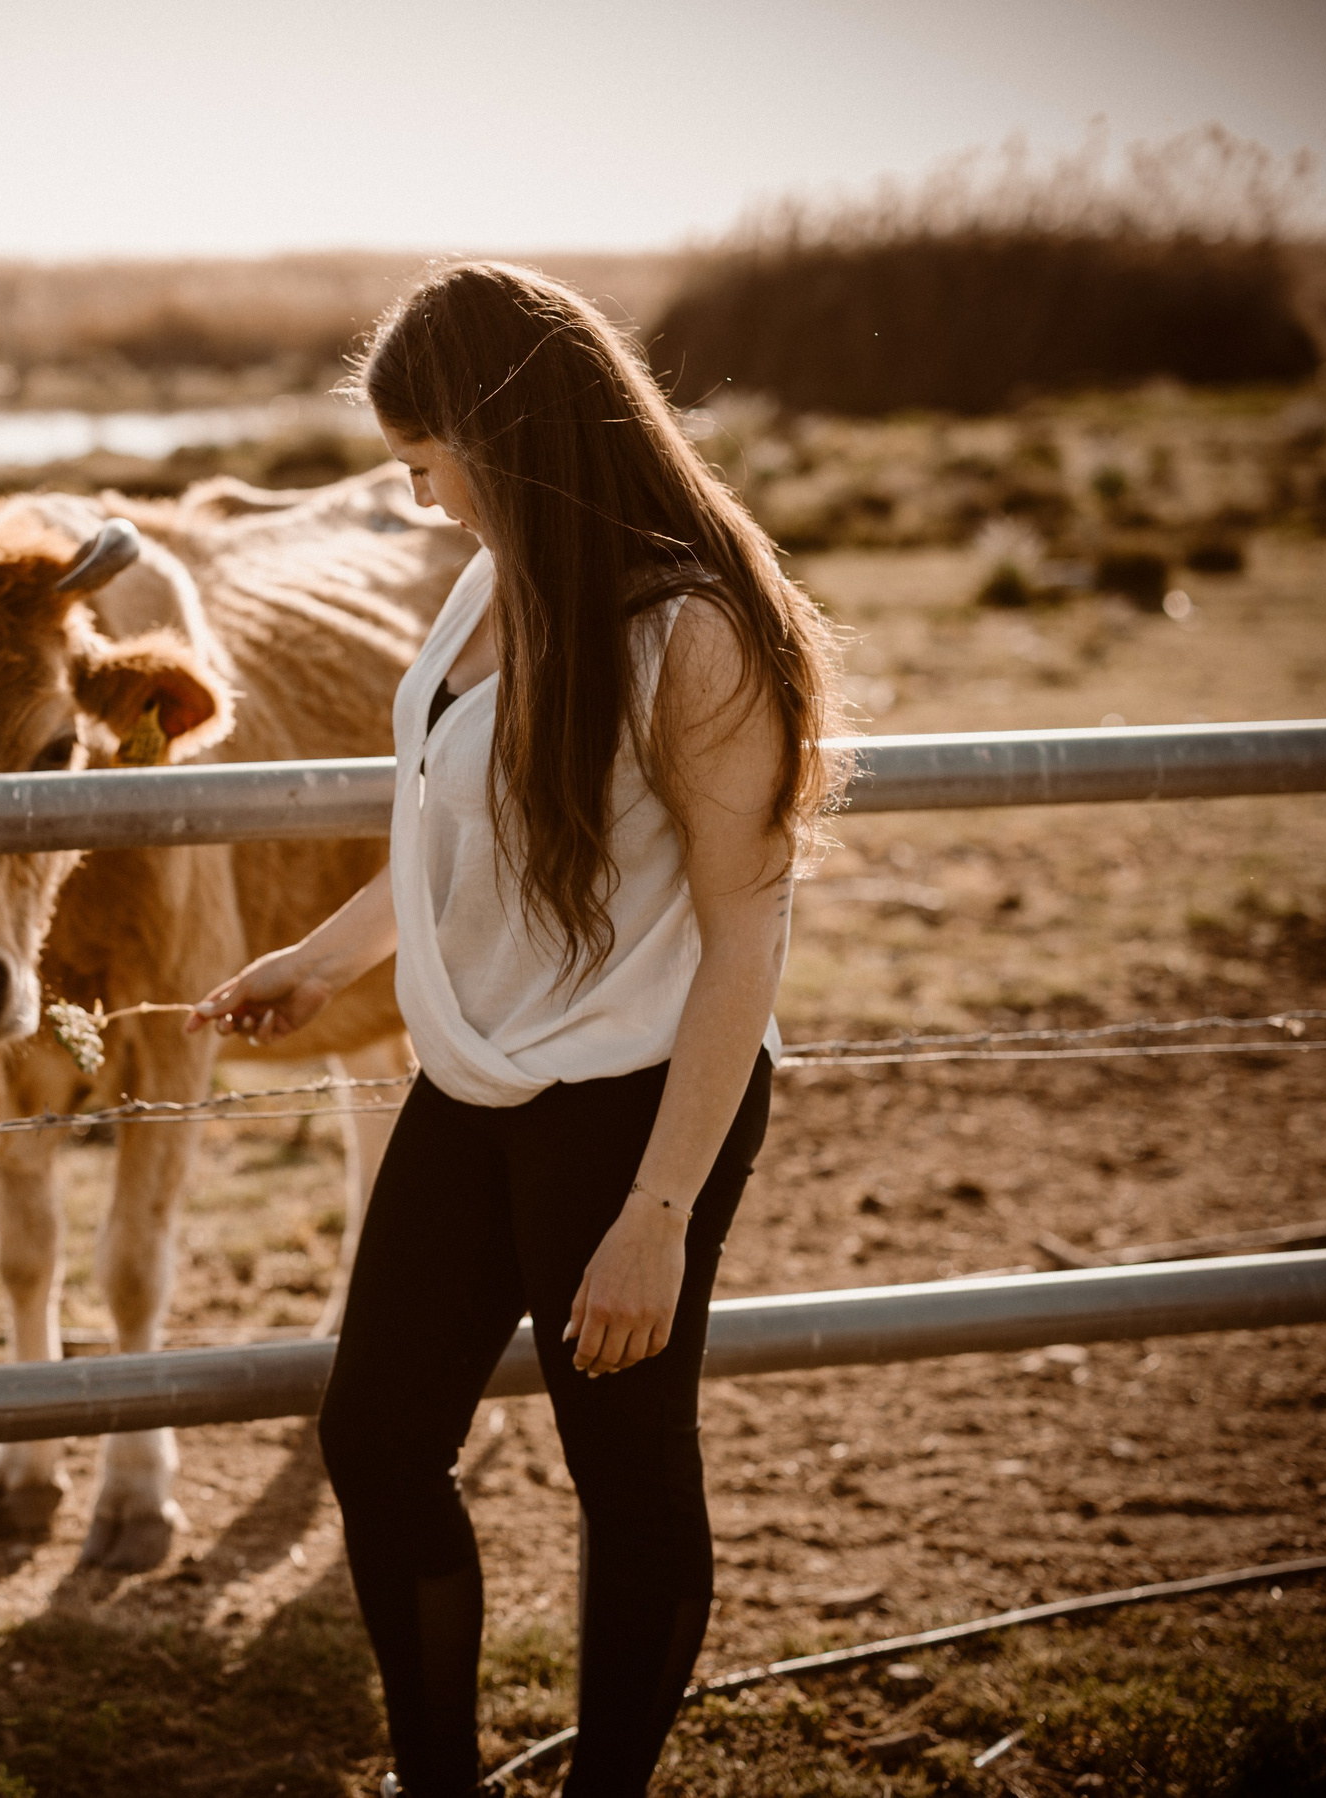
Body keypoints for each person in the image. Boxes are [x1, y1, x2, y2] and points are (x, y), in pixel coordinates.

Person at [192, 262, 845, 1796]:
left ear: (509, 432)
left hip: (635, 1097)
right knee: (376, 1433)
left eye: (427, 462)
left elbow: (751, 930)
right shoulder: (500, 580)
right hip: (476, 1076)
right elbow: (451, 824)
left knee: (624, 1471)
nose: (418, 502)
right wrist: (323, 947)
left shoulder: (691, 635)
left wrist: (660, 1211)